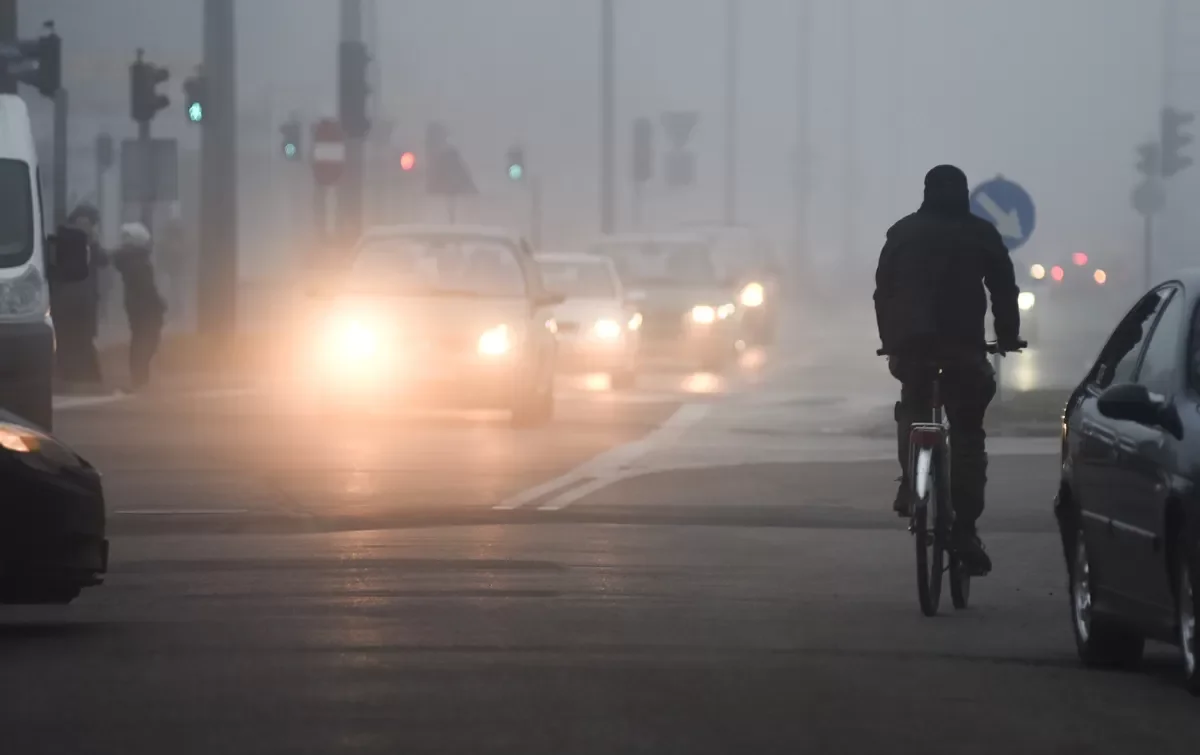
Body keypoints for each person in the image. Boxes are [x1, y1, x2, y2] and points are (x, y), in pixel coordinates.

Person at [873, 165, 1022, 575]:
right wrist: (1007, 336)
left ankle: (910, 482)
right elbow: (1003, 287)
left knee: (914, 404)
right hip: (962, 349)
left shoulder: (902, 232)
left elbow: (883, 289)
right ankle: (966, 529)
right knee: (969, 432)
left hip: (911, 347)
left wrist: (890, 339)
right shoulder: (980, 233)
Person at [52, 203, 107, 386]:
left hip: (81, 298)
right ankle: (75, 375)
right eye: (86, 222)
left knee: (80, 337)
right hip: (71, 298)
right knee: (72, 337)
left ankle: (81, 376)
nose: (88, 227)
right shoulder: (67, 241)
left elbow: (103, 261)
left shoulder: (88, 243)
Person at [112, 222, 166, 391]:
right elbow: (146, 288)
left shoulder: (131, 260)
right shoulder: (137, 263)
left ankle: (140, 378)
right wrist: (159, 304)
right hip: (145, 310)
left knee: (141, 340)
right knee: (147, 341)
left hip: (137, 308)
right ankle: (140, 379)